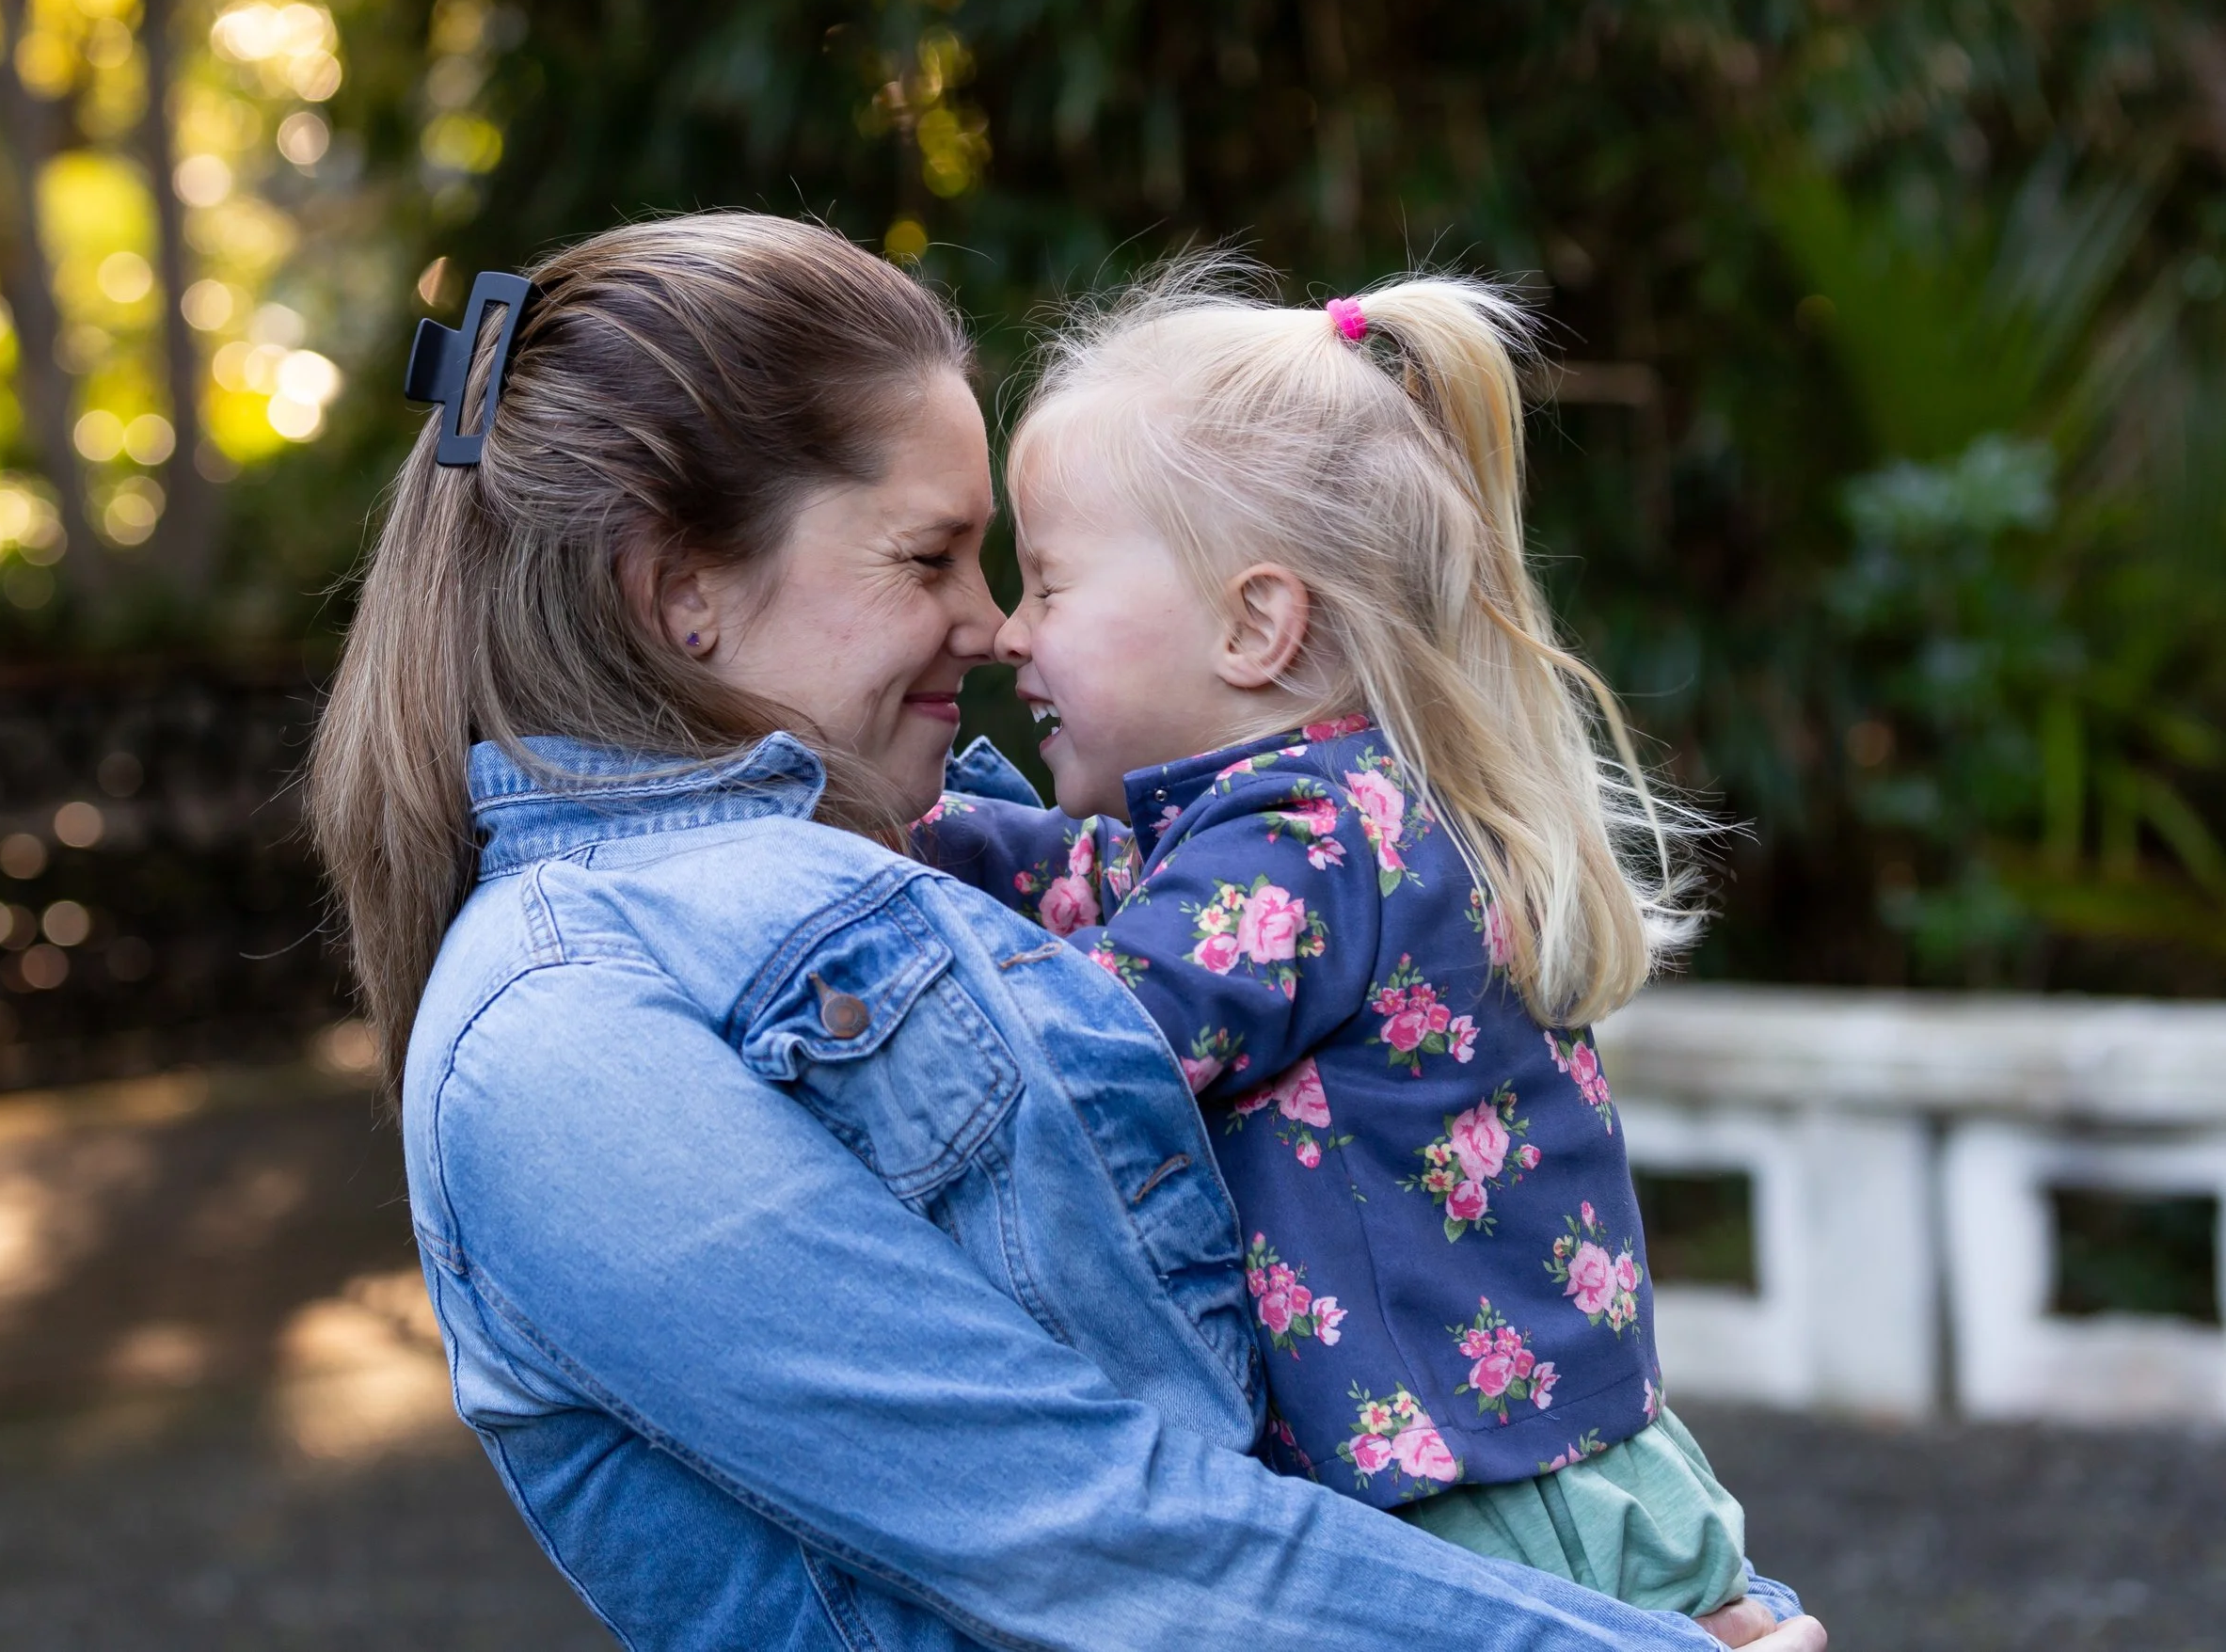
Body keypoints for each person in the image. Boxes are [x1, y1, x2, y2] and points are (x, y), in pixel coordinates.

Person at [308, 211, 1824, 1652]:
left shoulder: (943, 874)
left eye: (1018, 571)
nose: (993, 627)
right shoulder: (561, 1031)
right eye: (929, 558)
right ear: (681, 591)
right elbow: (1095, 1529)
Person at [916, 264, 1760, 1616]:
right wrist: (919, 828)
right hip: (1539, 1475)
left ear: (1255, 623)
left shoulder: (1302, 843)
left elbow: (1079, 1046)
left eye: (1050, 585)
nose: (1011, 633)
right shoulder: (1321, 812)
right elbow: (1086, 882)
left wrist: (846, 934)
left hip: (1481, 1514)